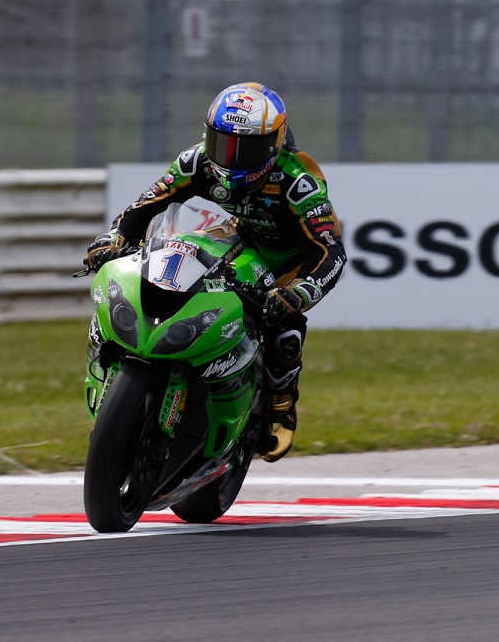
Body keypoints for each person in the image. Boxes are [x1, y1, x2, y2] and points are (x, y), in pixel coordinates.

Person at [83, 82, 345, 461]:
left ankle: (280, 404)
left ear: (274, 143)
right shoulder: (197, 162)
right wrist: (115, 236)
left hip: (290, 260)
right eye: (223, 144)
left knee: (283, 330)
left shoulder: (298, 181)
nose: (232, 158)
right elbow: (148, 204)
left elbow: (330, 250)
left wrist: (299, 292)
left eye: (247, 149)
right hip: (237, 239)